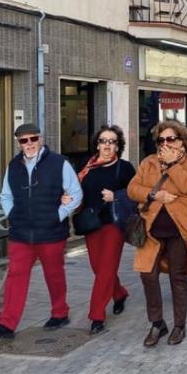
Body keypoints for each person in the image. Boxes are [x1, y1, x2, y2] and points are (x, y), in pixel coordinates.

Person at [0, 123, 83, 340]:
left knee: (54, 274)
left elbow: (75, 193)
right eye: (24, 140)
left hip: (51, 232)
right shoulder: (13, 166)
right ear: (18, 143)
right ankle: (6, 325)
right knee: (15, 277)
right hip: (21, 233)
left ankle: (60, 313)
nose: (29, 144)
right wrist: (14, 215)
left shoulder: (59, 163)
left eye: (33, 139)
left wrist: (57, 215)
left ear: (41, 139)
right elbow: (5, 196)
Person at [127, 120, 187, 347]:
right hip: (151, 231)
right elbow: (132, 189)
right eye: (161, 140)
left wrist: (172, 165)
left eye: (171, 139)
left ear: (182, 140)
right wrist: (155, 195)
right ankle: (157, 323)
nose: (166, 144)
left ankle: (179, 325)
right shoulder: (148, 162)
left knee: (178, 277)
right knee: (147, 275)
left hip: (179, 231)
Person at [74, 124, 136, 335]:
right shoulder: (86, 166)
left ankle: (97, 316)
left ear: (118, 146)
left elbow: (135, 194)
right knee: (98, 268)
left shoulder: (125, 168)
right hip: (92, 223)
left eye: (112, 141)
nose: (107, 145)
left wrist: (116, 196)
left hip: (113, 224)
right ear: (97, 144)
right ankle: (119, 294)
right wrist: (67, 198)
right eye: (103, 141)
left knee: (106, 269)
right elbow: (75, 190)